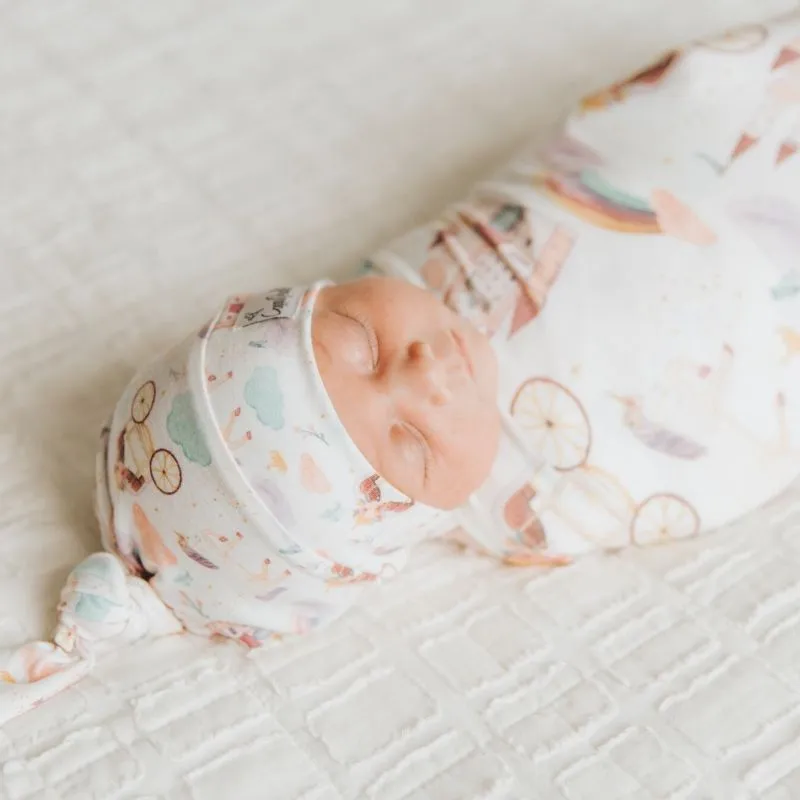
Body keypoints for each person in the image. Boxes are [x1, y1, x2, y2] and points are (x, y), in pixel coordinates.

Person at [2, 11, 799, 724]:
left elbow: (555, 179)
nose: (424, 372)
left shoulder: (421, 270)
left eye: (358, 341)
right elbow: (731, 459)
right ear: (407, 530)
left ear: (303, 300)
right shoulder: (538, 504)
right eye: (413, 445)